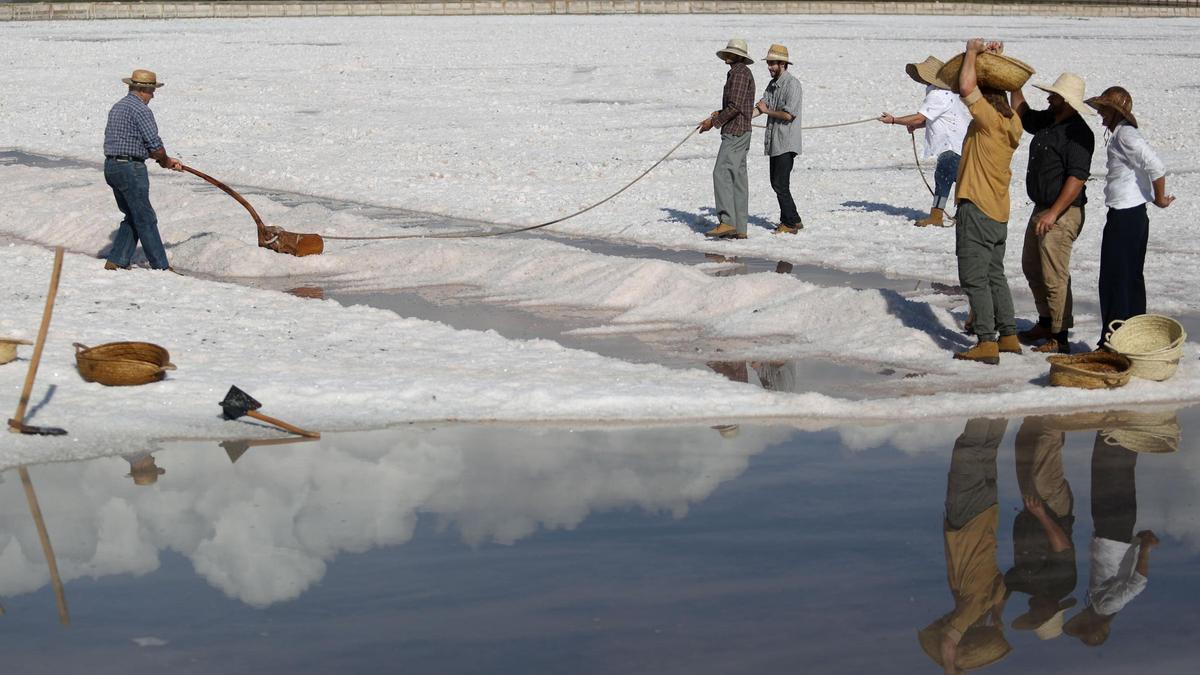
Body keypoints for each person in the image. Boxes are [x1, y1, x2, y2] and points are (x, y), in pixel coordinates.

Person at [948, 39, 1024, 365]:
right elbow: (1019, 100)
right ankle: (1008, 335)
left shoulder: (989, 121)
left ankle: (986, 341)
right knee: (995, 275)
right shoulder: (1013, 124)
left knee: (974, 277)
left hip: (977, 209)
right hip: (999, 212)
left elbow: (966, 86)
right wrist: (999, 62)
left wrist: (971, 52)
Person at [918, 418, 1011, 673]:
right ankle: (986, 394)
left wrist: (998, 619)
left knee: (987, 449)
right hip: (968, 518)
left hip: (989, 511)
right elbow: (949, 638)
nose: (947, 619)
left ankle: (1001, 399)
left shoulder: (990, 597)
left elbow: (1004, 592)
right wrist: (951, 668)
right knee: (968, 449)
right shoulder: (969, 607)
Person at [1085, 86, 1175, 348]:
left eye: (1103, 109)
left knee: (1116, 278)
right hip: (1130, 215)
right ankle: (1131, 340)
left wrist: (1159, 199)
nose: (1100, 114)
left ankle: (1114, 342)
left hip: (1126, 216)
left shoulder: (1126, 135)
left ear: (1114, 112)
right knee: (1129, 278)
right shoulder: (1120, 134)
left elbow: (1156, 166)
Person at [1011, 74, 1095, 354]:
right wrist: (1014, 83)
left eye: (1055, 96)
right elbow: (1022, 113)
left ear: (1068, 102)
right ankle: (1046, 322)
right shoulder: (1048, 120)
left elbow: (1076, 178)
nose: (1049, 98)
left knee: (1054, 275)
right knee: (1032, 266)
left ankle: (1059, 337)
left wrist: (1054, 213)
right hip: (1042, 208)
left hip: (1063, 213)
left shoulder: (1079, 134)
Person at [1062, 430, 1160, 647]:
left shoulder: (1100, 604)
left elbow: (1125, 576)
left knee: (1120, 475)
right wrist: (1144, 548)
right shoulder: (1106, 607)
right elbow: (1137, 584)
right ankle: (1117, 430)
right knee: (1108, 474)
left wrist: (1138, 544)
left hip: (1117, 533)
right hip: (1112, 532)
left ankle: (1127, 430)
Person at [102, 69, 183, 272]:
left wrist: (164, 160)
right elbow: (155, 146)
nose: (153, 95)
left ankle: (117, 260)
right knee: (145, 218)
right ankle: (161, 266)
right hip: (130, 169)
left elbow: (129, 141)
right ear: (142, 90)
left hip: (112, 167)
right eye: (152, 91)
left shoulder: (118, 107)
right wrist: (165, 161)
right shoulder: (141, 110)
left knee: (133, 215)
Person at [1006, 416, 1078, 642]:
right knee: (1046, 450)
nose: (1032, 612)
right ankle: (1056, 409)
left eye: (1031, 616)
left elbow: (1001, 588)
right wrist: (1043, 515)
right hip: (1052, 511)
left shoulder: (1024, 585)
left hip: (1032, 510)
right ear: (1053, 610)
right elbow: (1063, 548)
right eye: (1038, 616)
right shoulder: (1064, 584)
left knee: (1024, 447)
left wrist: (995, 613)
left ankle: (1035, 410)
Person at [879, 56, 970, 228]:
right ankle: (963, 214)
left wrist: (894, 120)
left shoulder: (939, 94)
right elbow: (932, 119)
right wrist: (915, 125)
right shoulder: (943, 93)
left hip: (952, 144)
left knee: (944, 177)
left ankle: (937, 216)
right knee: (961, 178)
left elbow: (921, 117)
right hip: (958, 143)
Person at [698, 39, 755, 240]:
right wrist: (717, 115)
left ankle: (727, 221)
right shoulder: (739, 72)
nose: (727, 56)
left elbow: (735, 106)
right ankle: (740, 228)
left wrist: (713, 123)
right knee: (737, 178)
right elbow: (735, 105)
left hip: (736, 131)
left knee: (720, 173)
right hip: (741, 130)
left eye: (730, 53)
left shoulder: (739, 73)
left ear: (739, 57)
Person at [754, 43, 804, 234]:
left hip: (786, 142)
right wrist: (743, 117)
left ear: (782, 64)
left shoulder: (793, 85)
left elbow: (789, 115)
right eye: (768, 63)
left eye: (772, 63)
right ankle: (795, 219)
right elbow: (762, 106)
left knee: (780, 184)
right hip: (775, 142)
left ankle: (789, 224)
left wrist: (767, 111)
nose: (769, 66)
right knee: (777, 182)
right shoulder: (772, 85)